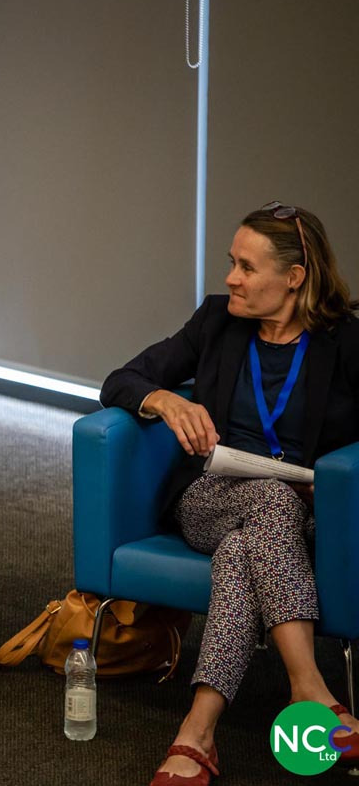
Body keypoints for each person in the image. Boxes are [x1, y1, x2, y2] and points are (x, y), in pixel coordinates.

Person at [100, 201, 359, 784]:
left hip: (306, 513)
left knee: (245, 549)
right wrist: (166, 400)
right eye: (231, 262)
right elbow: (121, 379)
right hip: (211, 497)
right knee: (269, 500)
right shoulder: (217, 321)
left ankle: (198, 733)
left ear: (294, 278)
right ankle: (309, 687)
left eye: (246, 267)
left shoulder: (346, 342)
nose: (231, 278)